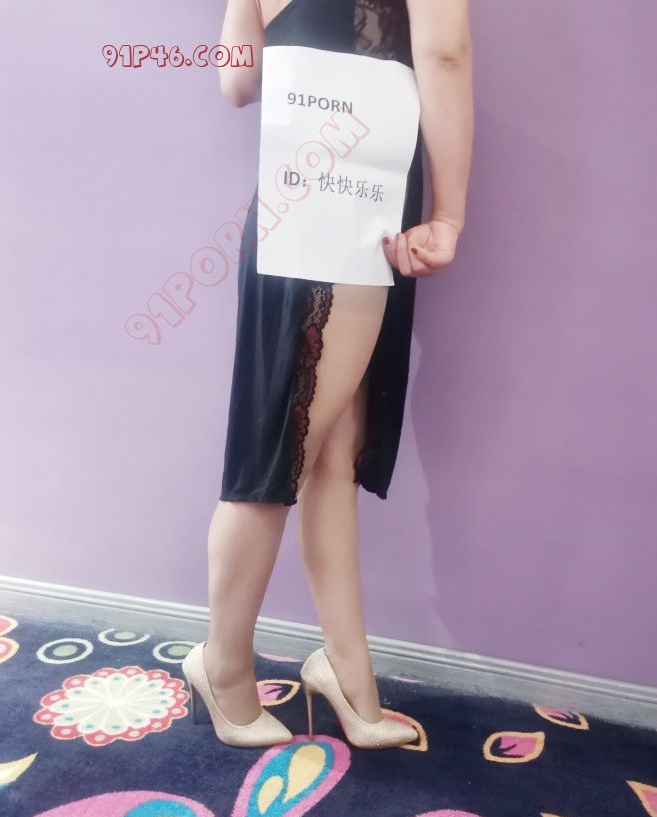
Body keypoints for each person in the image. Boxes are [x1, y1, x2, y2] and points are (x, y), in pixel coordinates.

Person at [182, 0, 474, 749]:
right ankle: (222, 664)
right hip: (350, 216)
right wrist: (449, 214)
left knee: (327, 449)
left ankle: (347, 671)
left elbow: (237, 83)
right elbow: (443, 56)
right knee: (286, 452)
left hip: (293, 206)